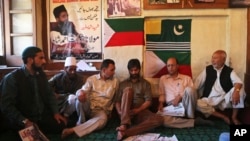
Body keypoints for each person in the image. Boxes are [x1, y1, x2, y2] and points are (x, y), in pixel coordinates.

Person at [0, 46, 67, 135]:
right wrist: (25, 121)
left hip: (40, 117)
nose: (44, 61)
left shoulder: (41, 75)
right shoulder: (12, 78)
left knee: (61, 124)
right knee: (27, 134)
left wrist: (56, 113)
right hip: (21, 120)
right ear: (30, 60)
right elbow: (6, 106)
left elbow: (50, 94)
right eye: (41, 58)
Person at [61, 59, 119, 139]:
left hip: (101, 111)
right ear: (104, 70)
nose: (114, 72)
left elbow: (116, 99)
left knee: (102, 120)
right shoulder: (92, 79)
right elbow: (83, 90)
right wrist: (80, 93)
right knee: (80, 97)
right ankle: (81, 121)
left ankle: (73, 130)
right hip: (88, 108)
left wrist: (111, 111)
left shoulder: (115, 82)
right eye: (112, 70)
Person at [115, 58, 164, 141]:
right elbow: (117, 101)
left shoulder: (145, 84)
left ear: (139, 69)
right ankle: (124, 124)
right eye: (131, 70)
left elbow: (148, 101)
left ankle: (127, 132)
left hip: (140, 111)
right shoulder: (123, 84)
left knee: (159, 119)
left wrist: (137, 110)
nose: (134, 72)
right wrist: (121, 112)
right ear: (129, 70)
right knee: (128, 90)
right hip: (125, 111)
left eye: (136, 70)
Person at [158, 57, 213, 128]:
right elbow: (162, 94)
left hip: (185, 104)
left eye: (172, 65)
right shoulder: (163, 79)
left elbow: (193, 93)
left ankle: (190, 117)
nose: (170, 68)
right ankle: (194, 122)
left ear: (177, 66)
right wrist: (161, 103)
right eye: (168, 66)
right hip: (171, 106)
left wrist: (180, 96)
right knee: (160, 120)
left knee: (189, 90)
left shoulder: (187, 78)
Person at [194, 50, 246, 125]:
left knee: (239, 89)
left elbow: (238, 82)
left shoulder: (229, 71)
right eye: (212, 58)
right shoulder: (207, 69)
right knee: (195, 103)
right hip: (210, 99)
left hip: (224, 99)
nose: (212, 60)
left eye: (215, 58)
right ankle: (223, 117)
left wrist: (236, 91)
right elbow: (196, 85)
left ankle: (234, 117)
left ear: (223, 60)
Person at [48, 56, 84, 122]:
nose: (73, 72)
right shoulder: (58, 77)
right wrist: (53, 93)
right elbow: (47, 86)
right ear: (65, 69)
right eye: (70, 69)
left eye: (74, 69)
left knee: (72, 98)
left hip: (72, 101)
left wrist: (60, 95)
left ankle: (65, 116)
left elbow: (76, 93)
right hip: (59, 101)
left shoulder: (79, 79)